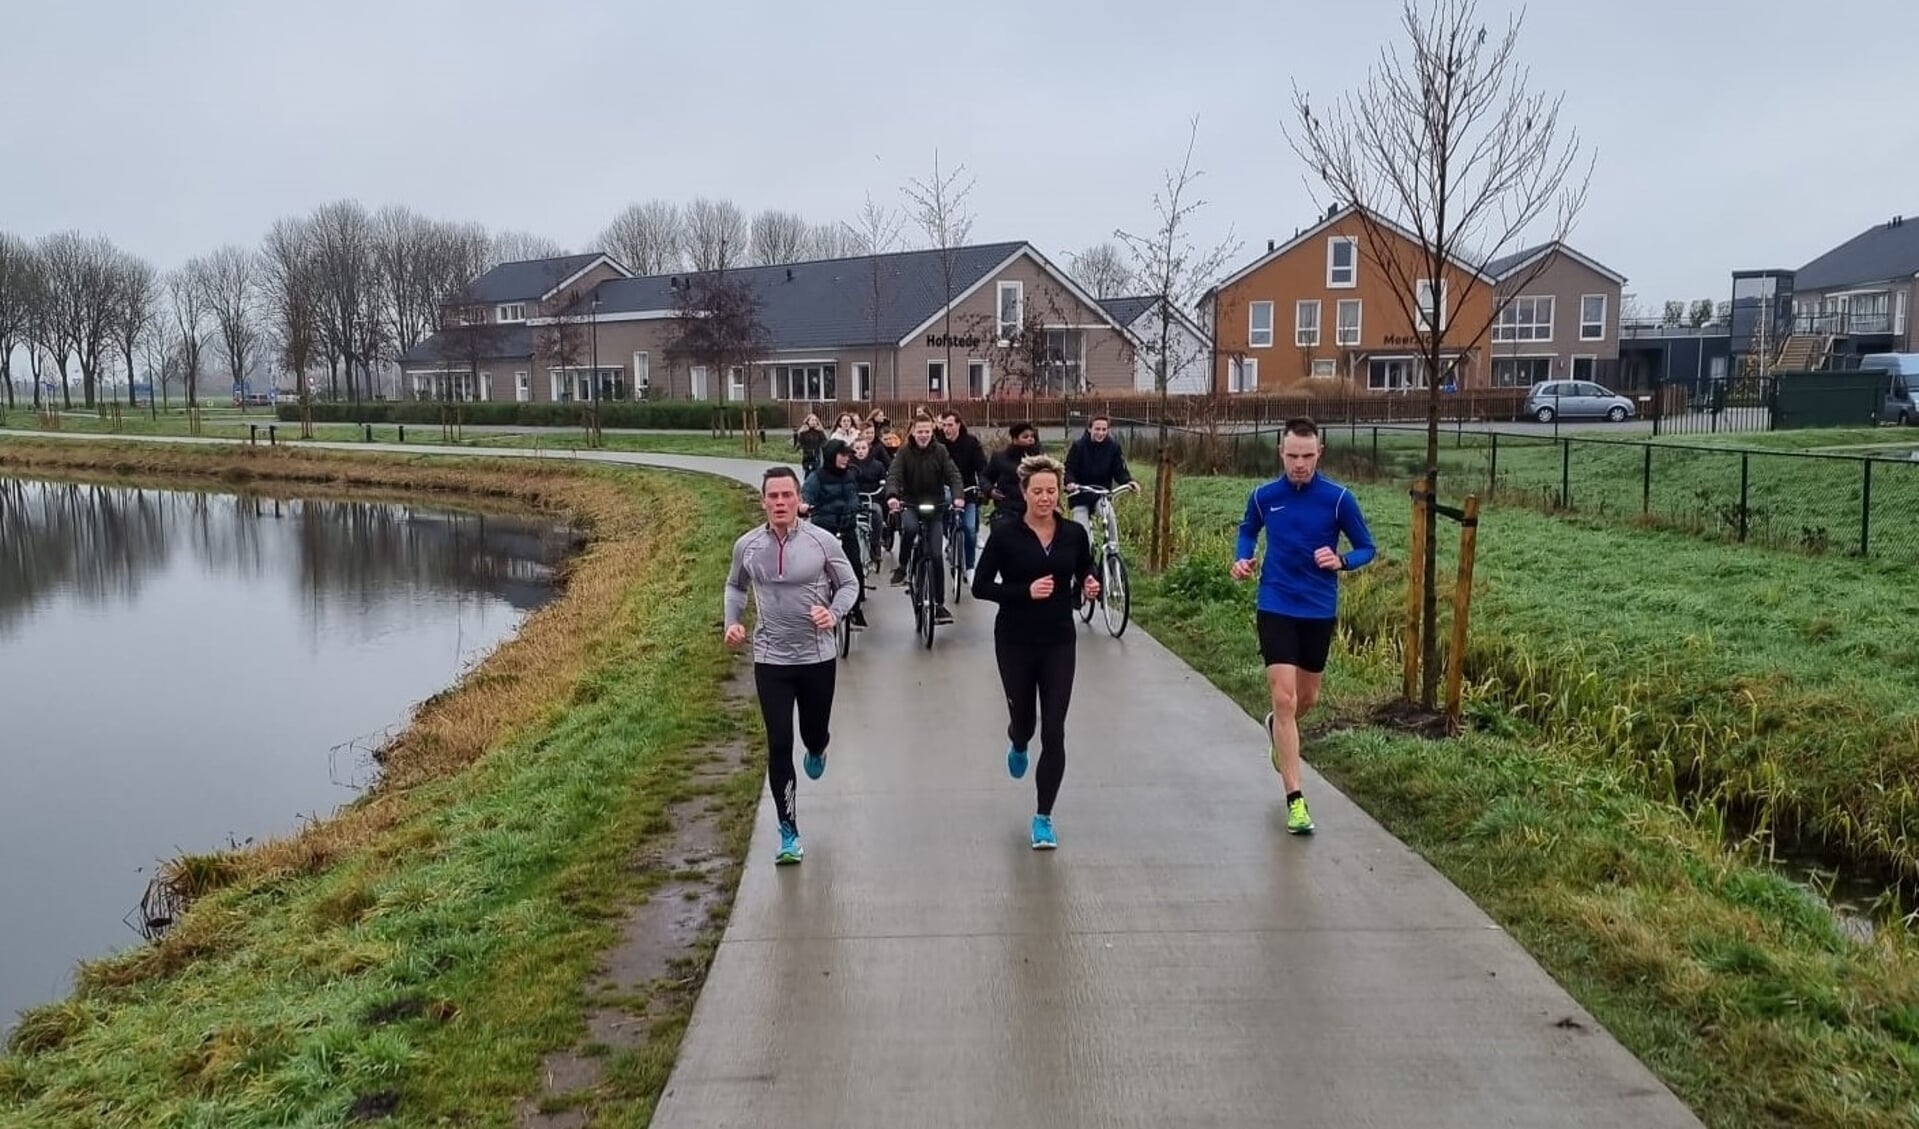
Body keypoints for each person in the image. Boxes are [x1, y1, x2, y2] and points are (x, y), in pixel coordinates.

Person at [1230, 417, 1376, 835]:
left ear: (1319, 454)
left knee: (1306, 698)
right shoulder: (1263, 496)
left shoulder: (1338, 499)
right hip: (1275, 601)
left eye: (1307, 456)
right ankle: (1296, 800)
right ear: (1281, 453)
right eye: (1292, 456)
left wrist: (1342, 560)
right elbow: (1247, 530)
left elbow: (1367, 547)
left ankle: (1277, 730)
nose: (1299, 464)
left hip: (1318, 608)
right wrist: (1243, 558)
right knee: (1284, 696)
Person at [725, 466, 860, 865]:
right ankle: (788, 832)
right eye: (773, 497)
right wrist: (733, 621)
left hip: (817, 657)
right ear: (763, 500)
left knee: (812, 734)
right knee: (780, 743)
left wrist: (833, 614)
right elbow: (735, 585)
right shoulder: (747, 546)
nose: (780, 503)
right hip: (771, 658)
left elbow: (850, 584)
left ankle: (818, 748)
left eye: (787, 496)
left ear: (799, 500)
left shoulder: (822, 543)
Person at [971, 453, 1099, 850]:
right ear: (1024, 493)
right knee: (1025, 721)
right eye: (1038, 491)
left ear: (1060, 492)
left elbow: (1084, 571)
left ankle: (1043, 816)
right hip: (1014, 640)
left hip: (1060, 640)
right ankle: (1018, 739)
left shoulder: (1074, 535)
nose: (1045, 498)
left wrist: (1089, 585)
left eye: (1052, 490)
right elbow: (979, 587)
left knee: (1055, 729)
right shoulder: (1006, 533)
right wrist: (1021, 592)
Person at [884, 414, 964, 624]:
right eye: (920, 431)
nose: (923, 435)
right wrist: (892, 496)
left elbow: (953, 474)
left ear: (932, 431)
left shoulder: (940, 451)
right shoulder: (904, 452)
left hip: (935, 506)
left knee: (936, 555)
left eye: (927, 431)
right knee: (909, 529)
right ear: (913, 431)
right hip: (911, 503)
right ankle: (902, 566)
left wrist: (958, 497)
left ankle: (939, 604)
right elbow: (894, 475)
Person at [801, 438, 867, 629]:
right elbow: (807, 495)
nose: (846, 459)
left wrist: (858, 507)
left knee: (855, 566)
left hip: (846, 526)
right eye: (842, 455)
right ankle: (812, 604)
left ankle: (856, 608)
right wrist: (804, 505)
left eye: (848, 455)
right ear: (831, 456)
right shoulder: (817, 477)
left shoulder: (851, 475)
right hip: (824, 527)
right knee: (816, 568)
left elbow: (854, 496)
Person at [935, 410, 989, 576]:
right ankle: (945, 535)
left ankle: (970, 567)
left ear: (958, 424)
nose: (946, 429)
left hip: (967, 490)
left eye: (950, 425)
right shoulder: (938, 444)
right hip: (944, 488)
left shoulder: (970, 442)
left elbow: (982, 466)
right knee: (942, 504)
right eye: (943, 425)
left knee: (970, 528)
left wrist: (983, 483)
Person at [1063, 414, 1134, 528]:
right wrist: (1070, 482)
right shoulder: (1078, 447)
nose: (1100, 433)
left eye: (1104, 429)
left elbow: (1119, 471)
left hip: (1101, 494)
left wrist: (1128, 482)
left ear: (1108, 430)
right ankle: (1083, 545)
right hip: (1080, 494)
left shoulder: (1113, 448)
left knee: (1110, 518)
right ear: (1089, 428)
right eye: (1097, 429)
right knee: (1081, 530)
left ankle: (1113, 545)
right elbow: (1069, 469)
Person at [985, 421, 1043, 526]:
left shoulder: (1040, 460)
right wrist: (990, 490)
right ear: (1015, 439)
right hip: (1007, 509)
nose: (1030, 439)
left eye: (1032, 436)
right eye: (1025, 437)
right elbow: (985, 477)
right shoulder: (1000, 458)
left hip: (1033, 510)